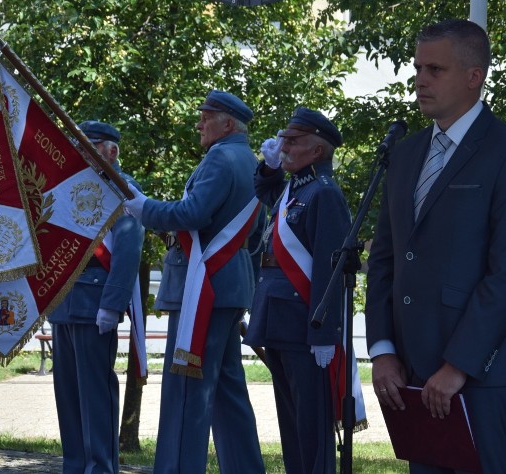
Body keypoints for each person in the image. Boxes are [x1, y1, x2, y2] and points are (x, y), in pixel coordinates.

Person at [365, 19, 506, 473]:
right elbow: (386, 258)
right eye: (417, 68)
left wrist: (458, 367)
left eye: (435, 69)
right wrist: (383, 349)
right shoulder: (405, 154)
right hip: (410, 374)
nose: (420, 80)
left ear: (474, 76)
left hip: (478, 378)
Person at [124, 89, 265, 474]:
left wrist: (145, 209)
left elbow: (194, 213)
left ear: (228, 123)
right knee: (227, 393)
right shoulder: (250, 161)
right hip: (227, 285)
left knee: (187, 393)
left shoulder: (220, 158)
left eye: (206, 116)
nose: (199, 123)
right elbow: (257, 231)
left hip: (201, 288)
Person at [244, 107, 364, 474]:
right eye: (283, 140)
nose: (284, 147)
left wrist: (324, 332)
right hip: (279, 318)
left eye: (293, 142)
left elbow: (329, 269)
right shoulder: (293, 188)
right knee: (292, 423)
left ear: (317, 152)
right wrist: (269, 165)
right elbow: (264, 187)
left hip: (303, 327)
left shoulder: (323, 195)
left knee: (311, 428)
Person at [48, 120, 144, 474]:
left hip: (94, 304)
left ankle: (100, 468)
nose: (77, 150)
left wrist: (112, 304)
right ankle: (75, 466)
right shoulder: (73, 186)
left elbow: (128, 252)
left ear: (110, 151)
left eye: (87, 145)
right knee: (69, 400)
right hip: (64, 303)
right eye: (76, 143)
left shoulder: (123, 189)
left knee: (95, 398)